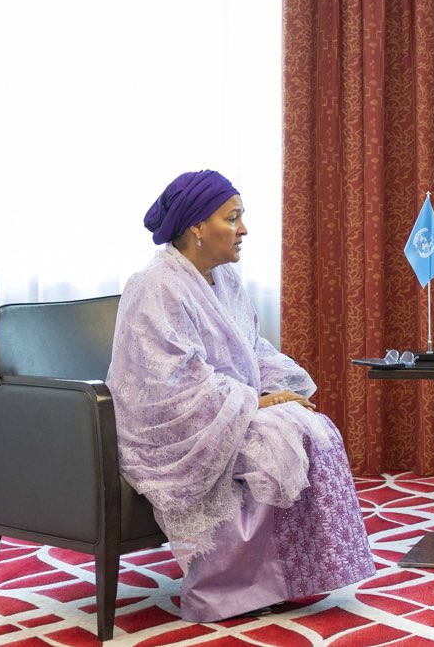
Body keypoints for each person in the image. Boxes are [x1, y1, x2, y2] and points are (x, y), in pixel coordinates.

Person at [107, 169, 375, 622]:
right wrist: (254, 403)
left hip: (226, 408)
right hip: (173, 428)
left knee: (310, 426)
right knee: (277, 442)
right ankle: (225, 589)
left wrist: (280, 389)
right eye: (233, 219)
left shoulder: (224, 278)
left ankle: (286, 577)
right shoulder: (154, 285)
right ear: (196, 227)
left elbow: (251, 347)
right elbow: (167, 380)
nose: (244, 230)